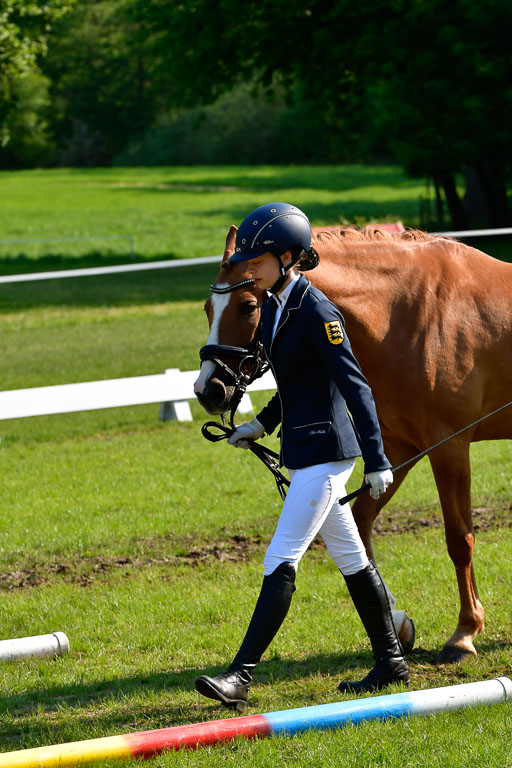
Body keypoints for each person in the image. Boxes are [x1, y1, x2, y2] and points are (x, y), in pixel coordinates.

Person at [195, 202, 409, 711]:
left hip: (330, 454)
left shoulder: (318, 312)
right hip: (305, 448)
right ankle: (391, 662)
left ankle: (239, 676)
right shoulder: (273, 306)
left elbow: (355, 387)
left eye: (259, 260)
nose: (250, 268)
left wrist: (378, 460)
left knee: (281, 557)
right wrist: (259, 425)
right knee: (352, 560)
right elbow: (292, 384)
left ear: (288, 257)